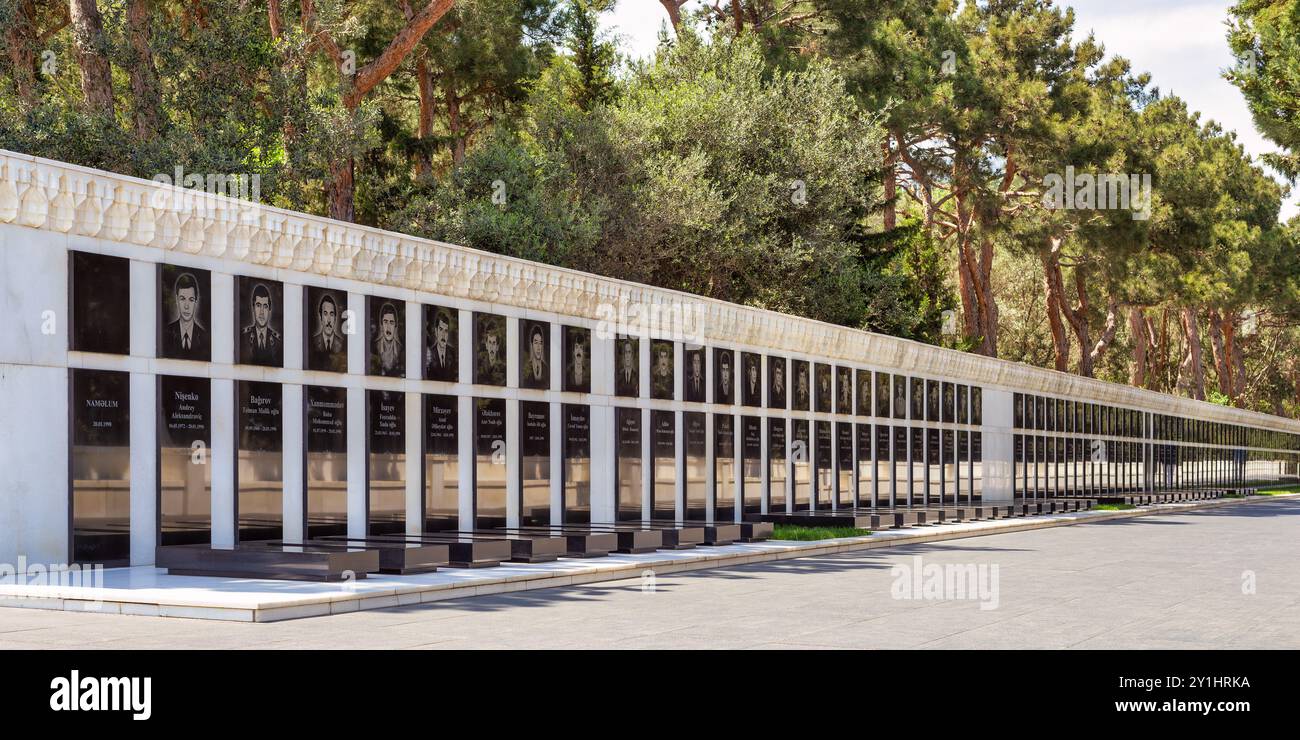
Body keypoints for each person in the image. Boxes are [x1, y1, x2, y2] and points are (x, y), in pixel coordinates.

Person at [162, 271, 209, 359]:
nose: (187, 306)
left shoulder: (204, 337)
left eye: (191, 300)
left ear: (196, 302)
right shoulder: (165, 333)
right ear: (176, 300)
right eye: (182, 299)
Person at [240, 282, 281, 366]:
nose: (262, 312)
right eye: (258, 305)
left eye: (265, 306)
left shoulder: (277, 341)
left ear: (269, 309)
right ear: (253, 307)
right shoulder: (243, 337)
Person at [310, 291, 346, 371]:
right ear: (320, 317)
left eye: (332, 314)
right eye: (325, 314)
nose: (329, 320)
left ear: (335, 318)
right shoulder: (313, 342)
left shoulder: (342, 344)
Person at [425, 308, 457, 381]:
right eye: (441, 329)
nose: (443, 335)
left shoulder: (452, 352)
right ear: (436, 331)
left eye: (446, 331)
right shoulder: (431, 352)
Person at [374, 302, 403, 377]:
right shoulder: (374, 347)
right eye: (385, 322)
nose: (388, 327)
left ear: (395, 326)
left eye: (392, 322)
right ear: (381, 324)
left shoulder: (401, 349)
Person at [476, 319, 505, 385]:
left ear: (497, 346)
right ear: (486, 345)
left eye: (494, 343)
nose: (491, 347)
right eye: (489, 342)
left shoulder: (503, 369)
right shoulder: (480, 367)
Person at [523, 323, 549, 388]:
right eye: (536, 343)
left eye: (540, 343)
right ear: (531, 345)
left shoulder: (545, 368)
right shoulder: (527, 367)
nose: (538, 347)